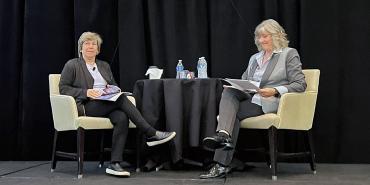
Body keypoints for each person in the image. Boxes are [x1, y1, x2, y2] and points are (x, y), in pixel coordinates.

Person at [200, 19, 307, 179]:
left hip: (267, 101)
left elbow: (300, 84)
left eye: (265, 36)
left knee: (231, 117)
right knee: (229, 93)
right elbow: (246, 79)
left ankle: (221, 162)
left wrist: (274, 90)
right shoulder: (255, 58)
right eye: (259, 37)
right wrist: (236, 86)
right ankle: (223, 136)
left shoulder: (288, 54)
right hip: (249, 97)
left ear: (277, 35)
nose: (261, 40)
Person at [59, 32, 176, 177]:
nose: (90, 46)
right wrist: (86, 92)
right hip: (87, 105)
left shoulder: (104, 66)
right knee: (121, 100)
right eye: (86, 43)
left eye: (94, 44)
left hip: (107, 103)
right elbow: (63, 88)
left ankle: (114, 163)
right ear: (81, 48)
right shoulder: (72, 65)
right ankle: (151, 133)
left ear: (98, 49)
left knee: (121, 117)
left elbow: (114, 86)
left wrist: (113, 90)